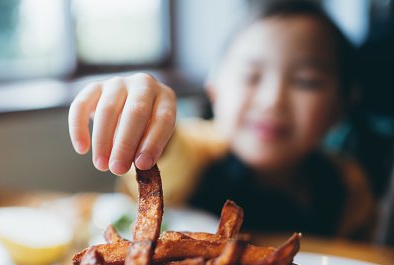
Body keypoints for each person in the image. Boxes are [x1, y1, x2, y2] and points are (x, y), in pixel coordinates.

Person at [68, 0, 375, 239]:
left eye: (306, 81)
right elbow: (171, 153)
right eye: (250, 76)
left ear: (341, 105)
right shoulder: (202, 150)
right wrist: (144, 117)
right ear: (215, 87)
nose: (273, 99)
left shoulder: (350, 185)